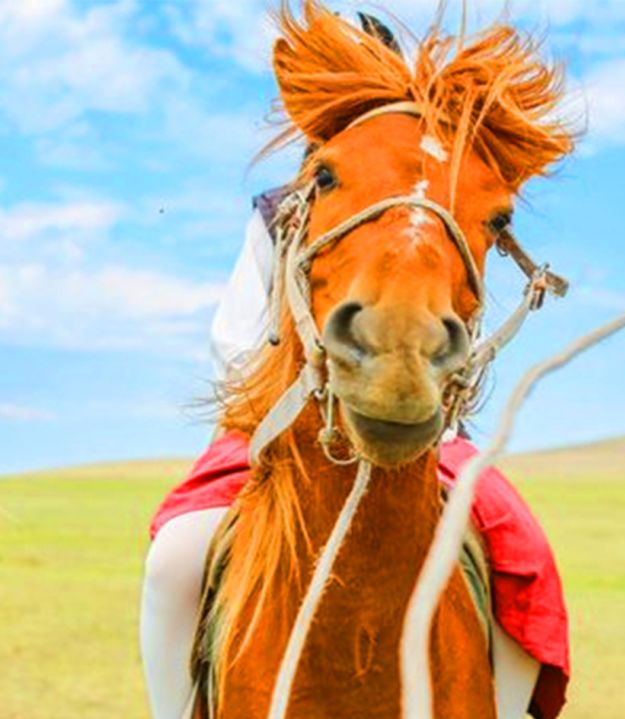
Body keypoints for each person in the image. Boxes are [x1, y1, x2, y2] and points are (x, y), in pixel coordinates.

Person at [139, 17, 570, 719]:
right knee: (177, 558)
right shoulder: (280, 214)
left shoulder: (433, 199)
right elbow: (234, 339)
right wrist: (303, 377)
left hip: (422, 412)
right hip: (274, 427)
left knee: (522, 553)